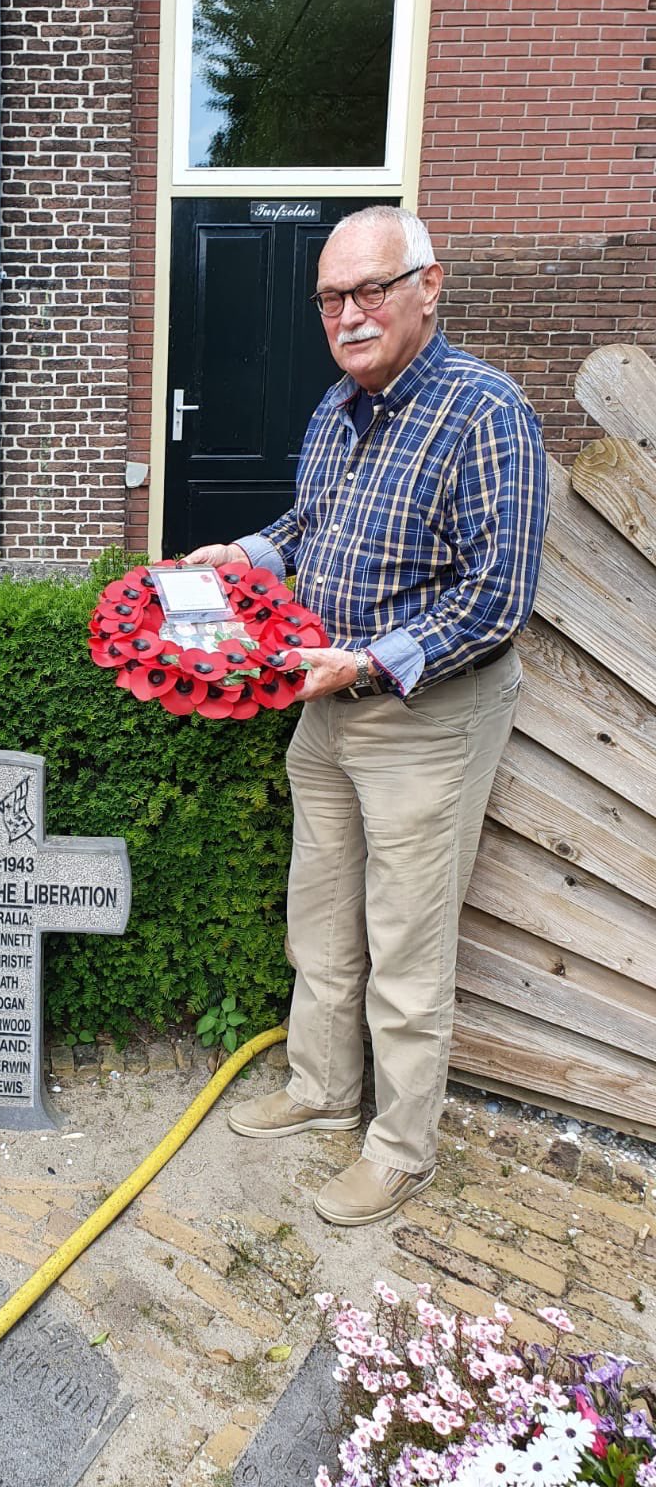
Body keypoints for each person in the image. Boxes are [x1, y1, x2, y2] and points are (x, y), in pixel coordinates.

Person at [187, 206, 548, 1226]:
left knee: (406, 947)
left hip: (425, 720)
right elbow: (312, 525)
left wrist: (368, 662)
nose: (348, 315)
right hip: (326, 706)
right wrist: (244, 556)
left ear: (427, 287)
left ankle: (401, 1149)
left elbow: (496, 597)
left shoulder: (486, 413)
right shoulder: (339, 406)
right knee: (320, 921)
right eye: (330, 298)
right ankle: (322, 1087)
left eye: (369, 290)